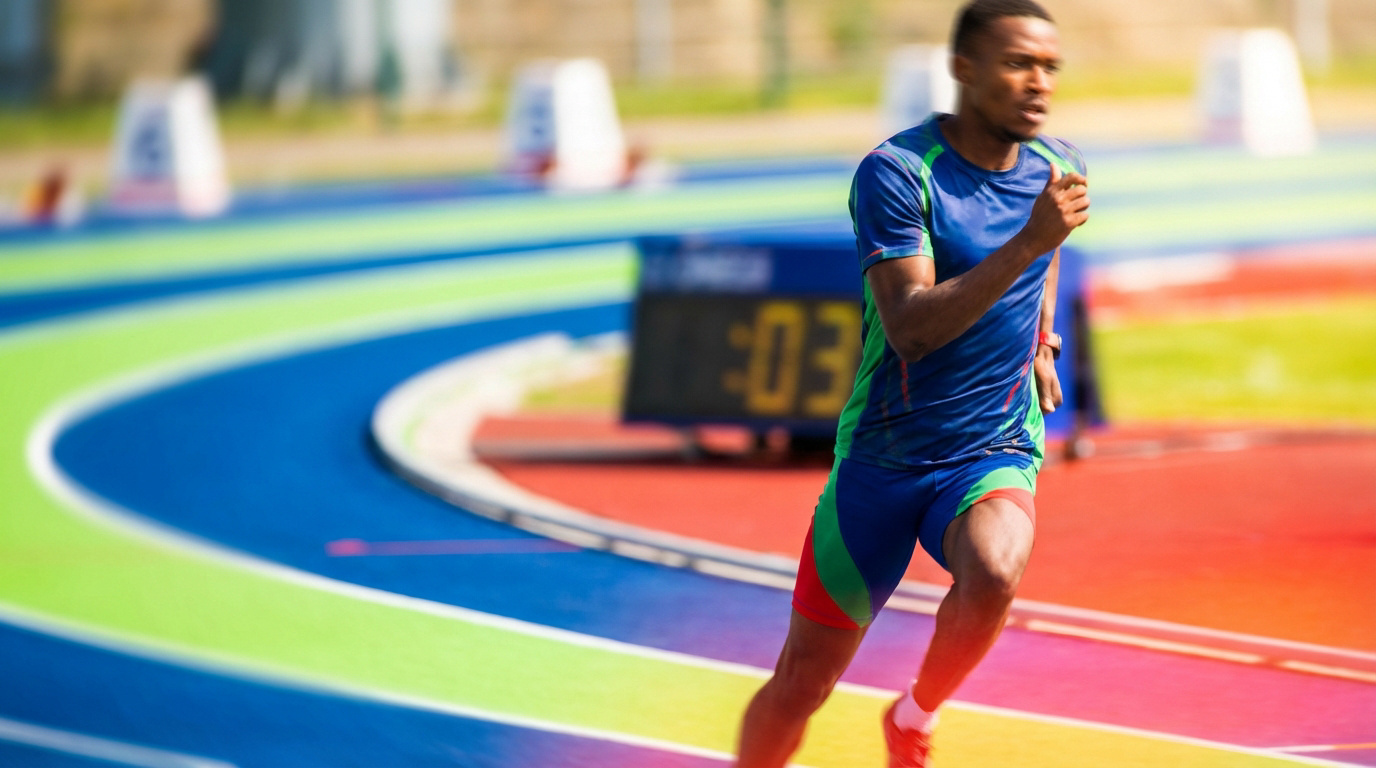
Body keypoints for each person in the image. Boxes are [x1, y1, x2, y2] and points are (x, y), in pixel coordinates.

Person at [733, 1, 1089, 765]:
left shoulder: (1059, 168)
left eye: (1050, 67)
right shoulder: (897, 174)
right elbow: (911, 328)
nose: (1038, 83)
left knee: (995, 568)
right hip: (883, 465)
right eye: (1018, 63)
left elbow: (1047, 256)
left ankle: (917, 714)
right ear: (963, 68)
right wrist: (1030, 239)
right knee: (801, 684)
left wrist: (1042, 342)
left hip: (990, 448)